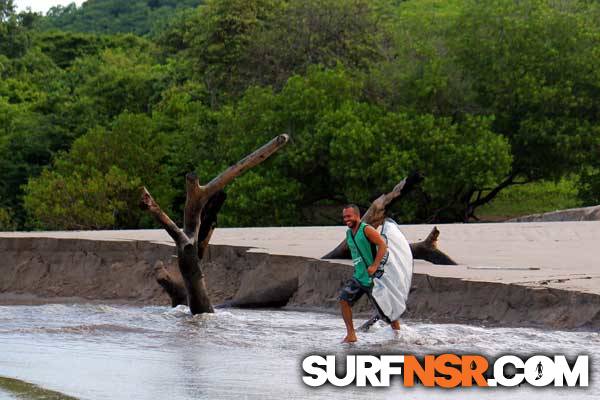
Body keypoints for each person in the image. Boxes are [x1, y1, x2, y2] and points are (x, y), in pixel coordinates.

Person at [338, 204, 401, 343]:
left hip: (374, 279)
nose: (346, 219)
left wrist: (375, 265)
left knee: (387, 311)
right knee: (344, 300)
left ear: (357, 216)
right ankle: (351, 335)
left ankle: (399, 335)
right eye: (344, 217)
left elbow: (383, 246)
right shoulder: (349, 233)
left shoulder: (366, 229)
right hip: (359, 277)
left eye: (349, 216)